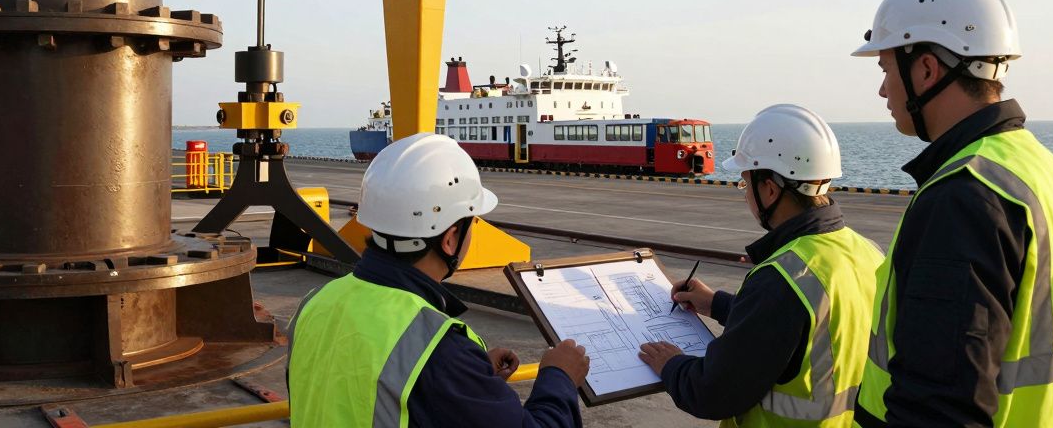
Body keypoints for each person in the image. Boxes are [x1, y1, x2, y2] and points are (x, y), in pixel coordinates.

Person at [850, 0, 1053, 427]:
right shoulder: (1050, 174)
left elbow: (939, 409)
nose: (883, 89)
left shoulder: (963, 196)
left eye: (886, 69)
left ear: (926, 69)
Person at [287, 132, 590, 427]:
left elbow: (352, 392)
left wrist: (471, 379)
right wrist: (559, 377)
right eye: (473, 222)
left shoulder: (314, 304)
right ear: (450, 239)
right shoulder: (437, 348)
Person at [639, 104, 883, 427]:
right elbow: (804, 329)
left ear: (769, 189)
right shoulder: (870, 253)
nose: (745, 195)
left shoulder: (784, 278)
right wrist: (717, 304)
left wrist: (672, 365)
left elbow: (713, 391)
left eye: (745, 183)